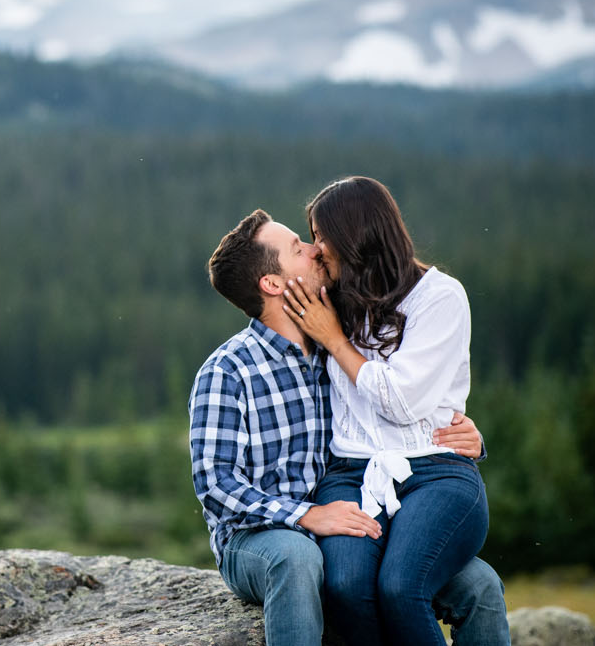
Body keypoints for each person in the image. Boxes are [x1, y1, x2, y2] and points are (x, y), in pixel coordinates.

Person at [190, 207, 507, 646]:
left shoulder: (338, 344)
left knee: (479, 583)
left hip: (356, 516)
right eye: (299, 248)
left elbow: (400, 400)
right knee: (297, 558)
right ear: (273, 284)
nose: (317, 249)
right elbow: (215, 483)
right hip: (263, 537)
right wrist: (308, 516)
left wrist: (462, 435)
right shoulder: (228, 370)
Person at [282, 176, 489, 646]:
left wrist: (334, 340)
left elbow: (403, 402)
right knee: (346, 586)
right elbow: (267, 284)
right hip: (351, 474)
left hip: (435, 472)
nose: (315, 251)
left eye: (319, 236)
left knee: (401, 586)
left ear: (354, 236)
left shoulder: (440, 297)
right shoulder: (332, 299)